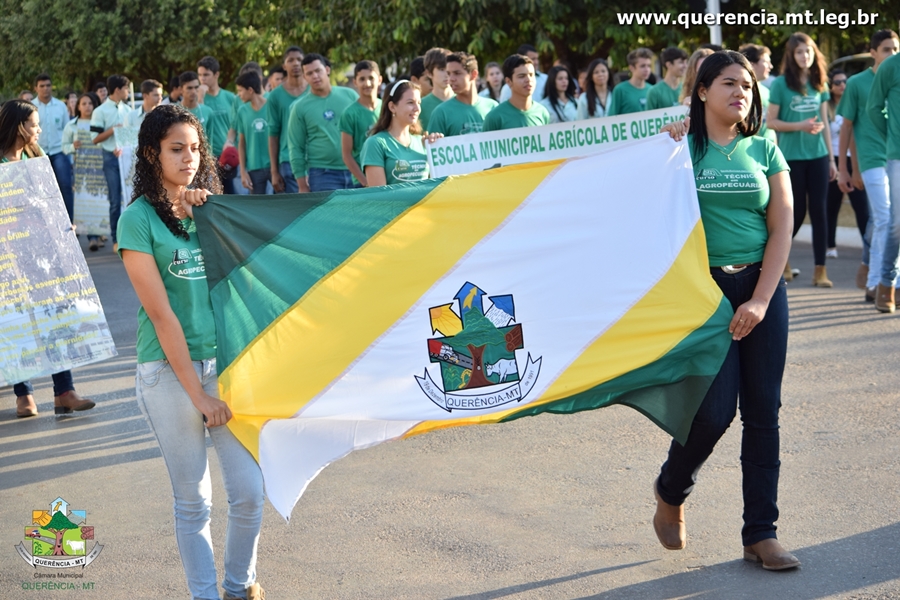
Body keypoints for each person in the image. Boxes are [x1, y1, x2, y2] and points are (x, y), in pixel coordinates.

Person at [656, 50, 796, 571]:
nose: (742, 92)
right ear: (702, 91)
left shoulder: (764, 145)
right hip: (702, 293)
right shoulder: (678, 148)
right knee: (712, 412)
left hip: (761, 287)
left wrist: (761, 298)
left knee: (764, 412)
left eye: (749, 84)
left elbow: (781, 225)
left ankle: (761, 533)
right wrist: (665, 142)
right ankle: (671, 490)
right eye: (730, 83)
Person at [117, 105, 264, 600]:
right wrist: (199, 397)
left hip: (222, 365)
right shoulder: (136, 222)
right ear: (150, 154)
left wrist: (210, 216)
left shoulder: (212, 211)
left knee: (248, 493)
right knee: (194, 501)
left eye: (195, 149)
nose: (188, 159)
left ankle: (238, 586)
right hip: (166, 372)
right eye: (176, 149)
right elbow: (162, 318)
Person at [0, 99, 97, 418]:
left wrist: (61, 224)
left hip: (42, 253)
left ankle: (64, 391)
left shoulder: (37, 157)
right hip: (8, 253)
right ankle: (23, 394)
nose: (39, 130)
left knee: (54, 315)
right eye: (34, 124)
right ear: (19, 127)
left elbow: (49, 202)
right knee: (15, 321)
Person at [768, 32, 835, 287]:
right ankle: (780, 260)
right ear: (791, 55)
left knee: (820, 211)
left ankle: (821, 271)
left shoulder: (820, 82)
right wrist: (800, 126)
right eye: (799, 52)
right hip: (791, 158)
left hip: (818, 156)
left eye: (808, 51)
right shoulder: (780, 84)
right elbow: (771, 121)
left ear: (813, 53)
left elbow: (825, 123)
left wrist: (831, 160)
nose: (804, 56)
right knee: (795, 213)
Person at [841, 30, 900, 306]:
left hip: (891, 156)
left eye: (895, 48)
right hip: (873, 159)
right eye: (887, 49)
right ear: (873, 52)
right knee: (887, 219)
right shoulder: (857, 83)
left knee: (883, 220)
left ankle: (875, 273)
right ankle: (877, 282)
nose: (892, 54)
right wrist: (846, 167)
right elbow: (847, 127)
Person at [287, 53, 359, 193]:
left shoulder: (350, 96)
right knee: (329, 216)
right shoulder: (300, 107)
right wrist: (302, 185)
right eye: (309, 73)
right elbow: (296, 147)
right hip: (322, 174)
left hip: (355, 170)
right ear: (304, 77)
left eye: (318, 71)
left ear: (327, 70)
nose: (315, 76)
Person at [867, 40, 900, 312]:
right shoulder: (890, 66)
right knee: (897, 222)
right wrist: (892, 138)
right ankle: (887, 285)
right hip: (898, 154)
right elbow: (873, 108)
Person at [361, 80, 440, 186]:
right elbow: (379, 197)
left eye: (419, 103)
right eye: (410, 102)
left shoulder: (423, 142)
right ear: (392, 107)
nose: (417, 109)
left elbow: (435, 185)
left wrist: (438, 148)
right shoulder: (375, 144)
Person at [825, 69, 868, 262]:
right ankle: (830, 246)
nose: (842, 85)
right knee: (831, 207)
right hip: (834, 160)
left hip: (855, 160)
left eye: (845, 81)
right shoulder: (826, 107)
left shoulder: (856, 103)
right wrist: (830, 163)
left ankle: (868, 247)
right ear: (831, 86)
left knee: (862, 208)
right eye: (838, 82)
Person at [90, 74, 130, 253]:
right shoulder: (100, 111)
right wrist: (114, 130)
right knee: (115, 200)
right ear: (118, 90)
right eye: (126, 89)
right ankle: (116, 238)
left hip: (128, 158)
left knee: (130, 198)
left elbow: (131, 137)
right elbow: (95, 139)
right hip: (109, 158)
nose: (128, 92)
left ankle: (131, 237)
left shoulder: (129, 110)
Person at [63, 92, 104, 250]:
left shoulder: (101, 123)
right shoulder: (71, 126)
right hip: (82, 169)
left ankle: (100, 233)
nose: (87, 106)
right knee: (86, 203)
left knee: (100, 202)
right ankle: (92, 237)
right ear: (78, 107)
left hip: (101, 167)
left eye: (90, 103)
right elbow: (64, 147)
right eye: (84, 104)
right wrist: (73, 146)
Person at [32, 74, 75, 222]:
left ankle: (69, 223)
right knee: (40, 191)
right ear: (36, 88)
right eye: (42, 86)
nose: (45, 89)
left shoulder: (61, 106)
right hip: (37, 154)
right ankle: (46, 223)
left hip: (59, 152)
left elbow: (66, 130)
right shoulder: (31, 107)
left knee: (65, 187)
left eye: (48, 85)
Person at [267, 46, 307, 194]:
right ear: (284, 66)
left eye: (299, 60)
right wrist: (274, 171)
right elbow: (273, 134)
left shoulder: (314, 90)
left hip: (315, 159)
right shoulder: (275, 96)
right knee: (297, 210)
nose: (295, 63)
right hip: (287, 159)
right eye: (291, 60)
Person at [428, 51, 498, 136]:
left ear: (473, 74)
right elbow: (434, 148)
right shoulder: (441, 113)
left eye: (457, 73)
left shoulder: (493, 107)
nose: (451, 79)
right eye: (449, 74)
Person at [197, 56, 239, 192]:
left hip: (227, 155)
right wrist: (200, 98)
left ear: (216, 75)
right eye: (200, 75)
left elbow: (237, 125)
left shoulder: (230, 97)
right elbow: (198, 122)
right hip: (208, 155)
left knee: (230, 194)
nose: (202, 79)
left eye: (206, 75)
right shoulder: (197, 99)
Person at [340, 60, 382, 187]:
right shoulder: (349, 113)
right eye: (362, 79)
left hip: (386, 177)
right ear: (355, 82)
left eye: (371, 78)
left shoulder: (388, 108)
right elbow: (346, 155)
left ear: (379, 80)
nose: (367, 83)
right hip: (362, 182)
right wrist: (365, 181)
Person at [482, 54, 551, 132]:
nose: (528, 80)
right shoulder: (494, 118)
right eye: (522, 76)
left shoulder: (542, 113)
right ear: (508, 81)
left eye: (531, 75)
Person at [234, 71, 270, 194]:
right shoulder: (242, 111)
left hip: (274, 167)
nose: (238, 95)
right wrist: (243, 171)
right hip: (254, 169)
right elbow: (241, 143)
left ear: (250, 90)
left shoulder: (272, 105)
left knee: (281, 206)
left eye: (240, 91)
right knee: (256, 208)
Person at [739, 44, 776, 144]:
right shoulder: (740, 93)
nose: (770, 66)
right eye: (766, 62)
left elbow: (770, 127)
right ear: (751, 64)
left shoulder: (767, 91)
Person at [608, 48, 654, 116]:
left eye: (649, 66)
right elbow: (611, 117)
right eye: (642, 66)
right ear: (631, 68)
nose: (647, 69)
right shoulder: (620, 90)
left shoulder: (652, 90)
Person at [419, 47, 455, 132]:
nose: (447, 74)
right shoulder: (420, 106)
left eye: (449, 69)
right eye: (442, 69)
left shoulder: (463, 101)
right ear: (429, 73)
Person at [178, 72, 215, 140]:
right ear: (181, 89)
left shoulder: (207, 111)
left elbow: (209, 140)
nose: (194, 91)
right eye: (189, 88)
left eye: (196, 87)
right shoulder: (173, 111)